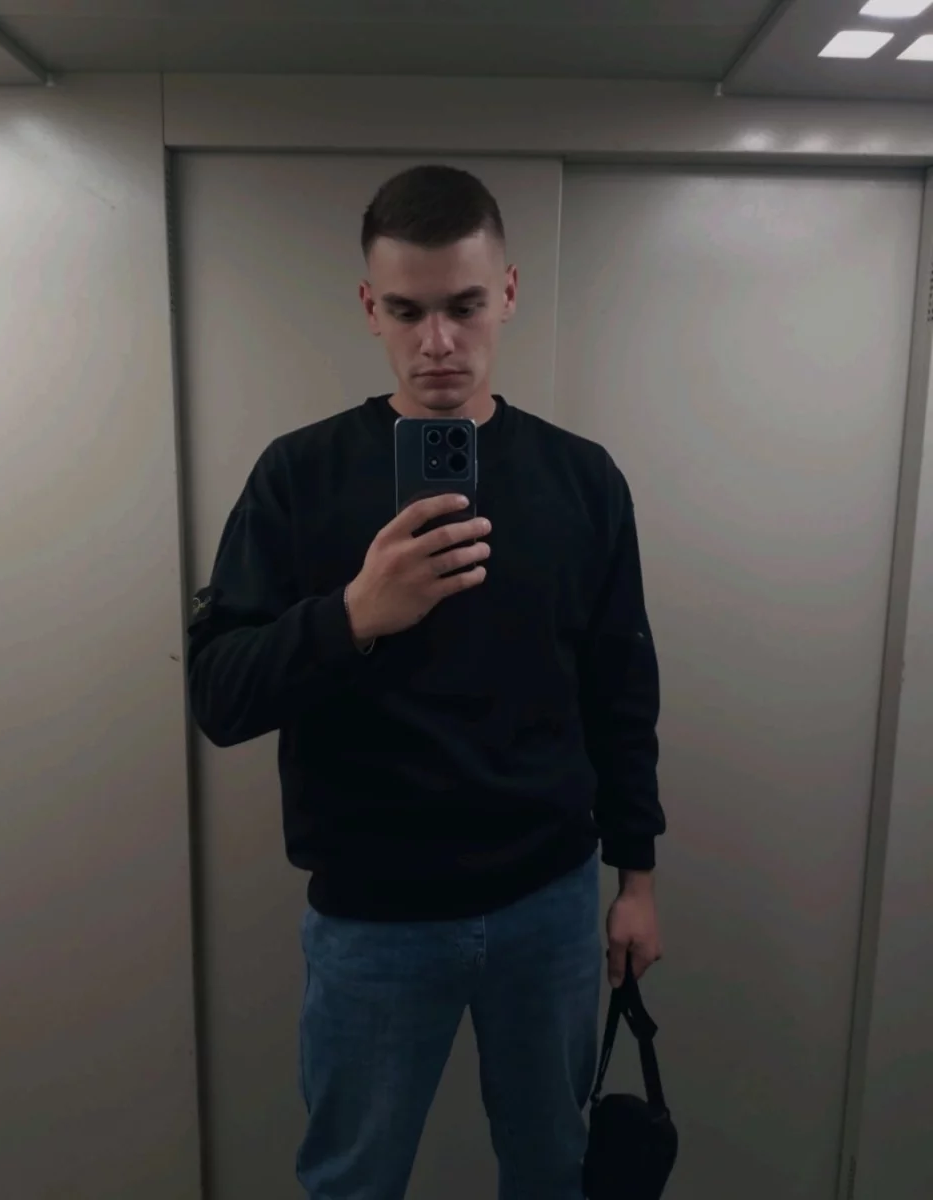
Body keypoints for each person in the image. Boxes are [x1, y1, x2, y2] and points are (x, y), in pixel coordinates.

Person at [188, 164, 666, 1200]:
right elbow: (218, 694)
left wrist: (637, 881)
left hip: (548, 901)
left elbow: (622, 688)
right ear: (370, 307)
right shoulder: (299, 474)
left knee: (551, 1172)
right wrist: (354, 614)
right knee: (353, 1182)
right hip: (372, 916)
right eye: (408, 311)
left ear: (509, 294)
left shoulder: (582, 479)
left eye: (465, 305)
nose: (439, 342)